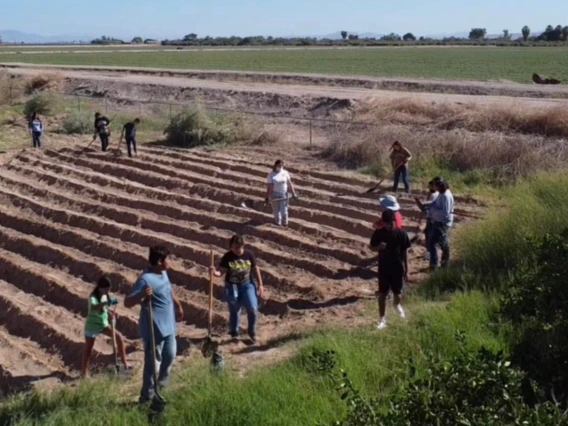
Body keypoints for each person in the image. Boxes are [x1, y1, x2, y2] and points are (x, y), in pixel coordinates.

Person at [125, 246, 184, 404]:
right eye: (168, 259)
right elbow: (127, 302)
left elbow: (169, 290)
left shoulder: (163, 273)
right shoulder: (145, 279)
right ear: (159, 261)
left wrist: (177, 305)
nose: (170, 262)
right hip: (154, 329)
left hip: (169, 326)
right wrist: (142, 294)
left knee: (170, 357)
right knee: (152, 366)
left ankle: (162, 390)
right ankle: (146, 397)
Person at [210, 234, 265, 344]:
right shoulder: (227, 257)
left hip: (247, 285)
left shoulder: (249, 255)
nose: (236, 250)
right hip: (232, 286)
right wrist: (214, 272)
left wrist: (260, 284)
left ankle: (252, 331)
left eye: (238, 248)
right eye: (233, 248)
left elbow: (255, 269)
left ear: (242, 246)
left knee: (253, 308)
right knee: (235, 309)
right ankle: (234, 332)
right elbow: (221, 272)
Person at [370, 209, 411, 330]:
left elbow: (405, 253)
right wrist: (379, 247)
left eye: (390, 223)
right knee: (382, 294)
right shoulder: (379, 233)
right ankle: (382, 319)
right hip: (383, 268)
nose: (388, 225)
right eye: (385, 223)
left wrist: (407, 270)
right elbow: (371, 247)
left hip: (398, 268)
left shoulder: (402, 234)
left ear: (394, 221)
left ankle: (396, 305)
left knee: (397, 294)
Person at [81, 276, 129, 377]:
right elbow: (94, 307)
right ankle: (83, 373)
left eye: (109, 289)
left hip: (103, 325)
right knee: (88, 350)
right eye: (106, 289)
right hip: (92, 326)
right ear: (100, 288)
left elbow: (106, 306)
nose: (107, 291)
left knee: (119, 337)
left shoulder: (104, 296)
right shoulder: (93, 297)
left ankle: (124, 366)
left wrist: (110, 311)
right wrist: (104, 303)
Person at [417, 178, 454, 270]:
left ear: (439, 186)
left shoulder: (446, 196)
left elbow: (445, 212)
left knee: (432, 242)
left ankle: (434, 265)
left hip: (443, 222)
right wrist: (427, 205)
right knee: (443, 242)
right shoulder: (441, 194)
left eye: (435, 185)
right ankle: (445, 263)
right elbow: (435, 203)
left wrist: (432, 211)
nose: (433, 187)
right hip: (439, 221)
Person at [265, 160, 297, 227]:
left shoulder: (285, 173)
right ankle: (278, 224)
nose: (280, 167)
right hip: (274, 195)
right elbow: (269, 187)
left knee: (284, 211)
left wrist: (293, 193)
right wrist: (267, 197)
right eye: (279, 166)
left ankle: (285, 224)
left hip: (284, 194)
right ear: (275, 165)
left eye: (282, 166)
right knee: (276, 211)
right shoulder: (271, 175)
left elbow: (289, 183)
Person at [422, 178, 441, 261]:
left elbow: (430, 206)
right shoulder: (433, 194)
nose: (429, 188)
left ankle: (430, 253)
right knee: (427, 233)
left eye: (430, 186)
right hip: (430, 217)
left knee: (429, 235)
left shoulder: (434, 195)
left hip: (432, 218)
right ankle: (429, 251)